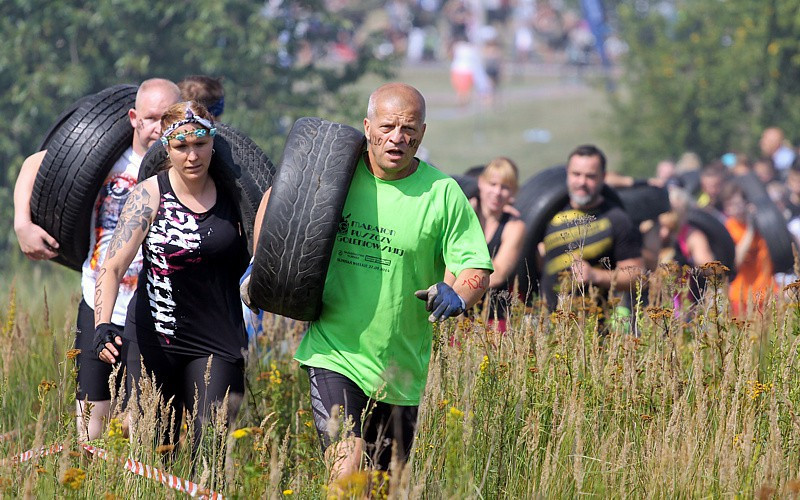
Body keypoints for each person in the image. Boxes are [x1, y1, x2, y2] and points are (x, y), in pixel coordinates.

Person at [250, 83, 492, 479]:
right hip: (334, 353)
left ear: (422, 133)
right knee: (348, 467)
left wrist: (460, 295)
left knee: (382, 486)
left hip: (401, 372)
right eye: (388, 126)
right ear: (367, 127)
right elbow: (278, 198)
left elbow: (476, 269)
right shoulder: (337, 174)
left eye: (409, 128)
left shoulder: (442, 193)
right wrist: (260, 264)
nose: (398, 137)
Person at [12, 78, 181, 442]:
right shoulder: (102, 157)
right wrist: (23, 224)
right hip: (99, 301)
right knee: (89, 424)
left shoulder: (186, 167)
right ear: (134, 118)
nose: (159, 127)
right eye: (152, 117)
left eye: (168, 118)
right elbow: (35, 164)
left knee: (145, 424)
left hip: (156, 310)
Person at [94, 101, 249, 457]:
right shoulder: (149, 194)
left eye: (200, 144)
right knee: (152, 454)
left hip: (217, 340)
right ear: (167, 147)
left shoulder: (237, 195)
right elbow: (112, 266)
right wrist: (102, 324)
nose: (192, 156)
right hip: (154, 338)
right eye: (181, 146)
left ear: (213, 141)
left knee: (209, 454)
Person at [540, 145, 643, 311]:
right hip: (547, 318)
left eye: (590, 176)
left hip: (595, 322)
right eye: (576, 174)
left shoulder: (618, 219)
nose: (582, 182)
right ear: (567, 173)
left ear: (603, 177)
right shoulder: (547, 213)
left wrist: (595, 275)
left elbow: (635, 276)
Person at [474, 157, 526, 331]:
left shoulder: (514, 226)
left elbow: (496, 276)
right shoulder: (465, 213)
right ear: (481, 183)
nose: (497, 192)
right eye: (492, 184)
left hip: (494, 317)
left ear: (513, 192)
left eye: (504, 187)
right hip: (457, 314)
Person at [719, 182, 777, 316]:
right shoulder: (728, 228)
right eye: (730, 205)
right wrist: (750, 230)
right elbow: (735, 262)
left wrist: (763, 213)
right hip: (742, 297)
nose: (735, 209)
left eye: (738, 204)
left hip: (768, 292)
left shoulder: (763, 223)